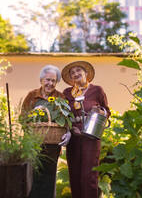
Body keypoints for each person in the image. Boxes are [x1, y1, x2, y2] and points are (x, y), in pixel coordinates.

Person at [61, 61, 111, 198]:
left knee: (89, 176)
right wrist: (71, 130)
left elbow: (107, 111)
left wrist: (100, 111)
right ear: (70, 78)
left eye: (79, 70)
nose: (76, 74)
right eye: (72, 72)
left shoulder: (97, 90)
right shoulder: (67, 93)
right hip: (74, 138)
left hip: (91, 138)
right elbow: (63, 114)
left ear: (86, 73)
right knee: (75, 175)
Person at [20, 65, 70, 198]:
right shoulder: (32, 96)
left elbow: (65, 120)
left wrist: (67, 131)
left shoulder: (60, 97)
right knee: (33, 178)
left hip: (52, 145)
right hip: (33, 145)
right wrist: (32, 123)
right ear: (41, 80)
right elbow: (22, 118)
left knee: (49, 179)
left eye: (53, 81)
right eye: (48, 80)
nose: (50, 83)